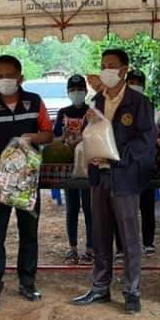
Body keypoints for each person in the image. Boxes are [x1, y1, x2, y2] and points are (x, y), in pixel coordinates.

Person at [72, 49, 157, 315]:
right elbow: (90, 134)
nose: (106, 70)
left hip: (125, 177)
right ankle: (100, 287)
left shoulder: (139, 103)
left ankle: (132, 291)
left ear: (123, 70)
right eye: (103, 65)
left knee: (129, 238)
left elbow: (146, 141)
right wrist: (88, 132)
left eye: (111, 65)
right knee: (100, 234)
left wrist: (116, 156)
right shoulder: (97, 101)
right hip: (99, 177)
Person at [0, 55, 54, 311]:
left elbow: (49, 134)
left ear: (20, 77)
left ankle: (27, 282)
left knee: (29, 233)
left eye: (9, 75)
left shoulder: (35, 102)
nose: (4, 80)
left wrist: (34, 137)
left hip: (26, 182)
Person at [54, 74, 93, 265]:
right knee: (72, 207)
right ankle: (72, 248)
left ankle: (90, 249)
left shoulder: (92, 111)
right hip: (68, 166)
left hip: (87, 166)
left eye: (80, 89)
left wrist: (82, 138)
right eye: (73, 90)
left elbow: (98, 135)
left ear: (86, 91)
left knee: (89, 208)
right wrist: (64, 138)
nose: (76, 93)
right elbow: (54, 138)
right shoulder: (63, 112)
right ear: (68, 92)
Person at [127, 70, 156, 256]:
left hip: (145, 162)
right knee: (124, 209)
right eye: (131, 82)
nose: (135, 85)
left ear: (143, 86)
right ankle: (123, 246)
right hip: (125, 163)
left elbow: (153, 133)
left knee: (146, 205)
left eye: (138, 83)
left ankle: (148, 242)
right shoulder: (119, 104)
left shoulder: (150, 105)